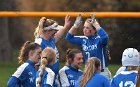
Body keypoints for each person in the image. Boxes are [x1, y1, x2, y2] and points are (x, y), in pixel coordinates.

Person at [65, 14, 111, 79]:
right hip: (89, 73)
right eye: (84, 27)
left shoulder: (99, 39)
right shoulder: (83, 39)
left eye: (87, 28)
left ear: (94, 30)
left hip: (102, 72)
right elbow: (68, 38)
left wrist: (97, 25)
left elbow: (105, 37)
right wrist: (75, 25)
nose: (84, 29)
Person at [34, 15, 71, 86]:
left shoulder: (50, 40)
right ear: (48, 31)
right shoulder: (39, 43)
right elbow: (35, 64)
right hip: (46, 78)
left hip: (53, 77)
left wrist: (66, 26)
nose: (56, 33)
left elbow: (58, 35)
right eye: (54, 32)